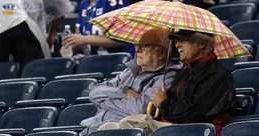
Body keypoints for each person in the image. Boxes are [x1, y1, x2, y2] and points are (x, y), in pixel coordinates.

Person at [98, 29, 236, 136]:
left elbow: (192, 114)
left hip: (196, 130)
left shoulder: (217, 73)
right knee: (106, 128)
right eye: (176, 41)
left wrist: (164, 103)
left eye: (184, 39)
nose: (177, 44)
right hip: (171, 127)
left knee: (131, 122)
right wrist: (164, 101)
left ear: (202, 43)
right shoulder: (185, 71)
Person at [78, 28, 183, 136]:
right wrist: (124, 92)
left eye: (145, 45)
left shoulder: (168, 77)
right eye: (137, 45)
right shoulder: (129, 72)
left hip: (118, 132)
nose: (137, 49)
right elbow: (94, 92)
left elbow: (141, 110)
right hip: (90, 128)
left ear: (161, 53)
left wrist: (103, 102)